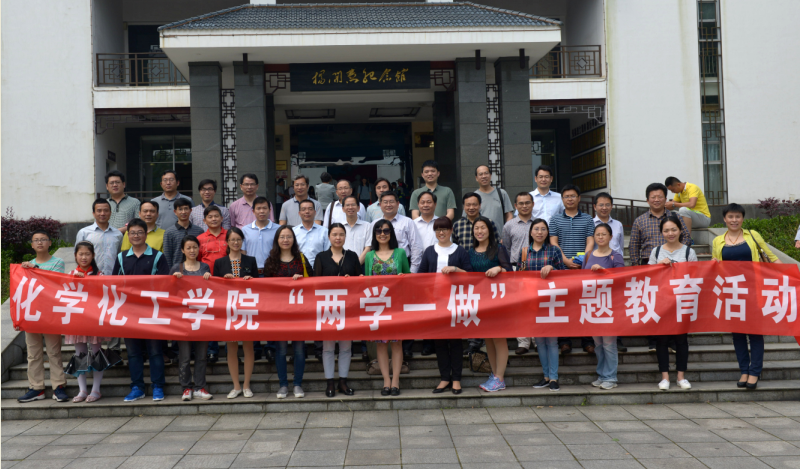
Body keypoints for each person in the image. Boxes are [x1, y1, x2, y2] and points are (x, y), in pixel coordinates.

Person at [712, 203, 780, 390]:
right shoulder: (718, 241)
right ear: (724, 219)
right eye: (730, 217)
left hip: (754, 291)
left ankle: (755, 371)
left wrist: (791, 275)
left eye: (738, 217)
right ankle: (744, 370)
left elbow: (771, 257)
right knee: (738, 335)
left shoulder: (753, 235)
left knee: (755, 333)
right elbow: (716, 264)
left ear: (742, 218)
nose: (734, 220)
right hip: (731, 294)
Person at [112, 219, 170, 402]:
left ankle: (158, 386)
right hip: (129, 312)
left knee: (155, 351)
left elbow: (165, 284)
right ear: (128, 235)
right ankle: (137, 387)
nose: (136, 236)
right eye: (132, 233)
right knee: (133, 352)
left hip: (152, 312)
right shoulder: (121, 257)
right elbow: (114, 283)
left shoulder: (158, 256)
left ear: (146, 234)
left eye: (139, 232)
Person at [629, 183, 691, 350]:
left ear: (665, 199)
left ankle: (673, 341)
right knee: (652, 303)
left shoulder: (675, 217)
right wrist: (636, 267)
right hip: (650, 266)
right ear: (647, 200)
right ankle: (654, 340)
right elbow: (633, 245)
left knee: (673, 303)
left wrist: (678, 252)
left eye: (660, 197)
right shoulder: (640, 220)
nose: (656, 200)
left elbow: (686, 237)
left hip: (675, 266)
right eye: (653, 197)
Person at [418, 217, 473, 394]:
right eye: (438, 229)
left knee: (456, 341)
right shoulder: (429, 251)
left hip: (455, 302)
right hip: (435, 303)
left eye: (444, 229)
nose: (441, 233)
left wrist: (455, 269)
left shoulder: (460, 251)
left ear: (451, 231)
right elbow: (421, 276)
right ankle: (444, 378)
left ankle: (456, 379)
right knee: (439, 342)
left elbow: (471, 275)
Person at [17, 230, 69, 403]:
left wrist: (34, 270)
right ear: (32, 245)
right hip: (31, 314)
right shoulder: (26, 266)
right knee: (33, 354)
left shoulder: (58, 262)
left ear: (50, 243)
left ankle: (58, 386)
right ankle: (36, 387)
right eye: (36, 240)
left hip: (50, 314)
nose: (40, 242)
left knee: (54, 352)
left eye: (43, 239)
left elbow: (54, 282)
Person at [648, 214, 698, 391]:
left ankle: (681, 377)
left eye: (673, 229)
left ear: (680, 230)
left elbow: (696, 276)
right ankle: (665, 377)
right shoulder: (656, 252)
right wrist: (658, 266)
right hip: (661, 303)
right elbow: (648, 276)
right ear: (661, 232)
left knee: (681, 340)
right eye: (666, 230)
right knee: (661, 340)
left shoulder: (688, 252)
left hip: (682, 302)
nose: (670, 233)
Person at [264, 226, 313, 399]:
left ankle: (298, 384)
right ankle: (283, 385)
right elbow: (265, 287)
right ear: (277, 240)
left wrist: (302, 280)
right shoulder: (271, 261)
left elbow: (313, 281)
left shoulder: (301, 259)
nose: (285, 240)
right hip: (279, 314)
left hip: (299, 313)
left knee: (299, 350)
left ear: (294, 239)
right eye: (282, 237)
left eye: (289, 237)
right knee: (281, 350)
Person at [518, 219, 566, 392]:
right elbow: (520, 276)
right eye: (536, 229)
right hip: (532, 302)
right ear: (531, 232)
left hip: (551, 301)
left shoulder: (554, 250)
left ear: (547, 232)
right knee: (539, 340)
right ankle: (546, 376)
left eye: (543, 229)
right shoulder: (525, 252)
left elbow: (564, 275)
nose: (539, 232)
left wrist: (552, 269)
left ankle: (554, 377)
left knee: (552, 341)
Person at [315, 223, 362, 397]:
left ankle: (343, 381)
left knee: (346, 347)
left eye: (341, 234)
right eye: (334, 234)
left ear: (345, 236)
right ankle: (330, 382)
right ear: (329, 236)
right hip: (327, 307)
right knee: (328, 347)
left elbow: (360, 280)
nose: (338, 238)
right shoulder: (321, 257)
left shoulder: (352, 256)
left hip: (348, 307)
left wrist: (353, 279)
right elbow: (315, 282)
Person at [213, 227, 260, 398]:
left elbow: (258, 286)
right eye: (232, 239)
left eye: (238, 239)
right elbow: (214, 288)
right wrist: (223, 281)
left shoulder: (250, 260)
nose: (235, 242)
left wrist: (250, 280)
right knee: (231, 348)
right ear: (227, 242)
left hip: (247, 308)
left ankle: (246, 385)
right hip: (228, 309)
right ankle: (236, 386)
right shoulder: (220, 263)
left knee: (248, 347)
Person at [365, 220, 411, 396]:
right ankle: (386, 381)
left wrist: (403, 277)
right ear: (374, 234)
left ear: (391, 233)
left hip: (397, 304)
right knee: (381, 344)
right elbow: (367, 281)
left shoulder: (400, 252)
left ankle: (396, 381)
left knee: (397, 343)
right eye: (378, 231)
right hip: (378, 305)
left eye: (386, 230)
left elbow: (409, 277)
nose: (382, 234)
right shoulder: (370, 255)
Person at [549, 184, 596, 354]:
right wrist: (566, 261)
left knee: (584, 303)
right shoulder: (555, 219)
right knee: (563, 305)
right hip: (561, 268)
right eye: (566, 196)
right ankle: (564, 342)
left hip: (583, 268)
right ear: (562, 200)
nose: (570, 199)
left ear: (579, 198)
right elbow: (553, 242)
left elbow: (590, 241)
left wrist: (583, 259)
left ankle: (587, 341)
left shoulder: (588, 219)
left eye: (573, 196)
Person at [469, 217, 512, 392]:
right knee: (488, 339)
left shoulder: (498, 249)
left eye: (483, 228)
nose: (479, 231)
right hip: (480, 302)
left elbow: (510, 271)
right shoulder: (470, 252)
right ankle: (495, 375)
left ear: (489, 230)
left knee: (499, 338)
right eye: (476, 228)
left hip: (497, 301)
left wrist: (499, 269)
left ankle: (500, 378)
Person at [169, 236, 213, 402]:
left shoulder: (205, 267)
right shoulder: (177, 267)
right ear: (182, 250)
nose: (192, 250)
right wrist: (173, 280)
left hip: (202, 317)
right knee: (185, 356)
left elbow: (212, 290)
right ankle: (186, 387)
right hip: (184, 319)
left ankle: (200, 386)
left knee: (201, 356)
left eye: (195, 247)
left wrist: (209, 278)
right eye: (188, 248)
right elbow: (168, 292)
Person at [65, 242, 108, 403]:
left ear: (93, 256)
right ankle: (82, 390)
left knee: (97, 353)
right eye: (81, 254)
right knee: (79, 354)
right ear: (75, 256)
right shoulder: (70, 275)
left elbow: (104, 295)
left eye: (87, 254)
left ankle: (96, 390)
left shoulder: (100, 275)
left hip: (94, 319)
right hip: (77, 320)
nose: (84, 257)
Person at [584, 223, 625, 390]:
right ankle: (602, 375)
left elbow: (622, 279)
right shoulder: (588, 255)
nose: (600, 237)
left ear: (610, 237)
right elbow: (580, 279)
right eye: (597, 234)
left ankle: (611, 377)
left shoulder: (616, 256)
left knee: (609, 343)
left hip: (609, 305)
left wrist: (604, 272)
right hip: (592, 304)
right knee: (598, 343)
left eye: (604, 234)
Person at [592, 192, 628, 352]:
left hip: (614, 266)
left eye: (607, 204)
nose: (604, 207)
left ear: (612, 206)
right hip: (596, 266)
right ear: (595, 206)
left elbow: (620, 246)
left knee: (615, 304)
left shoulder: (618, 224)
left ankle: (616, 338)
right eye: (601, 204)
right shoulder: (590, 223)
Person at [503, 192, 535, 355]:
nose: (524, 206)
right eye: (521, 203)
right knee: (520, 307)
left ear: (533, 204)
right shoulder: (509, 225)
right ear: (515, 206)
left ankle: (537, 339)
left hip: (536, 268)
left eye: (527, 203)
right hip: (517, 268)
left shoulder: (539, 223)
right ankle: (523, 342)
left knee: (536, 305)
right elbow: (506, 247)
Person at [367, 191, 423, 274]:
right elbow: (370, 246)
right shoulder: (374, 224)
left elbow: (416, 247)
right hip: (378, 264)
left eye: (391, 202)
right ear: (380, 205)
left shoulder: (408, 222)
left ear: (398, 204)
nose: (388, 205)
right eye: (385, 202)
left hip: (403, 264)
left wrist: (412, 271)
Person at [75, 198, 123, 275]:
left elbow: (119, 255)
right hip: (91, 277)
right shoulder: (84, 233)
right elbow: (78, 256)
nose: (102, 213)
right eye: (99, 210)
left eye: (106, 210)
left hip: (112, 276)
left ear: (110, 213)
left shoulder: (118, 234)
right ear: (93, 213)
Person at [471, 165, 513, 237]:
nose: (484, 176)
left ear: (490, 175)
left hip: (499, 238)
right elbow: (469, 218)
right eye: (480, 174)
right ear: (476, 178)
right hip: (480, 238)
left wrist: (505, 234)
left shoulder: (501, 193)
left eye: (486, 173)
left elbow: (509, 215)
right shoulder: (473, 197)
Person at [242, 196, 280, 273]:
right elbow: (243, 252)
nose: (262, 211)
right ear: (253, 211)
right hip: (251, 272)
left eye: (264, 208)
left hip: (272, 271)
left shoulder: (278, 229)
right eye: (258, 208)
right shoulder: (245, 230)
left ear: (270, 210)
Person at [163, 198, 204, 267]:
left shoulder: (199, 231)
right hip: (177, 270)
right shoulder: (169, 232)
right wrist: (171, 271)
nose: (183, 212)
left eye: (186, 209)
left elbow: (201, 252)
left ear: (190, 210)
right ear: (175, 212)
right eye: (180, 209)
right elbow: (167, 256)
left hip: (196, 269)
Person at [293, 199, 330, 269]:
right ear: (299, 213)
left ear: (315, 212)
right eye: (303, 209)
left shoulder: (324, 231)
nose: (307, 212)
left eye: (310, 209)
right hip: (298, 270)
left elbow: (328, 253)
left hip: (319, 269)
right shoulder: (293, 232)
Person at [105, 170, 140, 234]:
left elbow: (139, 223)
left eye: (117, 182)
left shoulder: (135, 202)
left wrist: (118, 231)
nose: (115, 185)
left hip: (127, 238)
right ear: (107, 186)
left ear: (123, 184)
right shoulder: (104, 203)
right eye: (111, 183)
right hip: (107, 237)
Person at [341, 195, 371, 265]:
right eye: (347, 205)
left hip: (362, 265)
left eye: (353, 205)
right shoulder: (339, 226)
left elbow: (368, 248)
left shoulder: (367, 226)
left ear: (358, 208)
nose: (350, 207)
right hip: (342, 265)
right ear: (343, 209)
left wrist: (356, 265)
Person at [198, 205, 228, 275]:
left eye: (216, 216)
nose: (214, 219)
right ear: (205, 221)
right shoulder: (199, 239)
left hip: (227, 276)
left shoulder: (229, 236)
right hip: (206, 276)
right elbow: (197, 259)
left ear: (222, 218)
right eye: (210, 217)